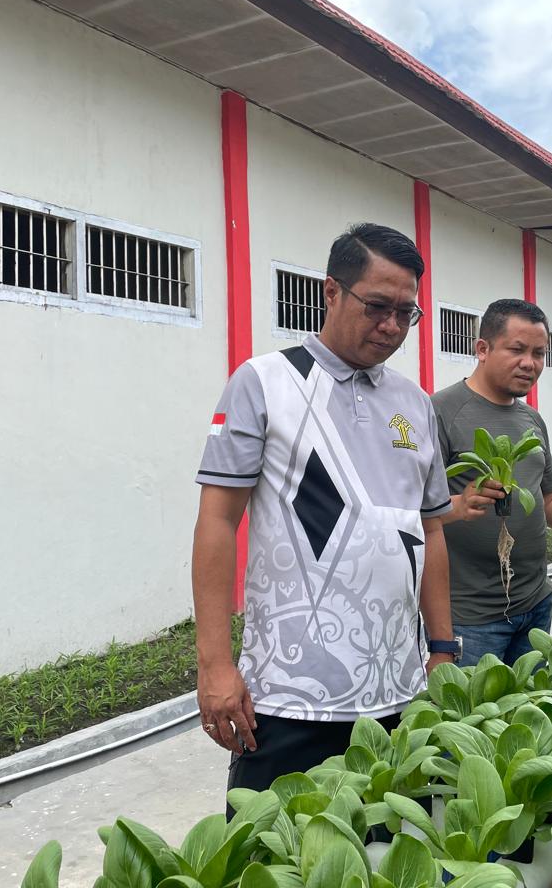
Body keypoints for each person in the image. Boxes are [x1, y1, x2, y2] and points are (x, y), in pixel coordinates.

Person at [191, 223, 459, 801]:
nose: (390, 326)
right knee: (274, 860)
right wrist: (214, 665)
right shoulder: (265, 383)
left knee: (389, 857)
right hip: (291, 697)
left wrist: (442, 649)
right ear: (331, 291)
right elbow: (216, 522)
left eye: (406, 314)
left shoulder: (415, 403)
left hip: (399, 690)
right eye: (377, 306)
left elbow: (430, 529)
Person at [433, 299, 552, 666]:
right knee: (475, 722)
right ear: (482, 348)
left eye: (539, 353)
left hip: (535, 603)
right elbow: (416, 517)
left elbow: (549, 504)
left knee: (531, 718)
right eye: (517, 349)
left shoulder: (532, 419)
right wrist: (459, 504)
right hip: (471, 617)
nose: (529, 363)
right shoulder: (441, 412)